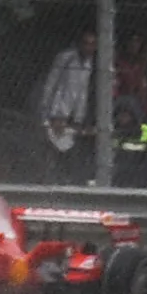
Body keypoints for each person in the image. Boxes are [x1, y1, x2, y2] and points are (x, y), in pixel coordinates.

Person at [36, 30, 97, 184]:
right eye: (86, 43)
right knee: (53, 145)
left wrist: (79, 117)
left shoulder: (89, 62)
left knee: (70, 147)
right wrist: (51, 113)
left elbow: (82, 91)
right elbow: (52, 83)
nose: (88, 47)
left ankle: (67, 179)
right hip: (57, 111)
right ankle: (48, 179)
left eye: (92, 44)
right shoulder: (66, 58)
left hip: (73, 113)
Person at [111, 94, 147, 188]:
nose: (122, 119)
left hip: (141, 179)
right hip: (117, 180)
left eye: (126, 115)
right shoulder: (112, 132)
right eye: (120, 115)